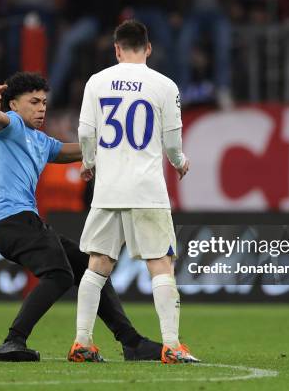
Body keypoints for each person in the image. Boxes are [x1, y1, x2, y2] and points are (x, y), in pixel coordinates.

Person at [0, 71, 161, 362]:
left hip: (25, 222)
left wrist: (113, 145)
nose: (41, 108)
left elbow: (70, 151)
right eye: (34, 102)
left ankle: (132, 343)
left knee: (87, 267)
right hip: (11, 221)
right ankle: (13, 340)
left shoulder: (39, 141)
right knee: (59, 274)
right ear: (13, 105)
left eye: (44, 102)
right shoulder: (10, 124)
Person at [69, 20, 199, 364]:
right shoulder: (164, 85)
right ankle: (171, 345)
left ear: (116, 49)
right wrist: (180, 162)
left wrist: (88, 161)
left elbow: (85, 131)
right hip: (146, 190)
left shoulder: (96, 82)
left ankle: (82, 342)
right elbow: (172, 141)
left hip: (108, 189)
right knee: (161, 264)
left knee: (97, 265)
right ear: (149, 47)